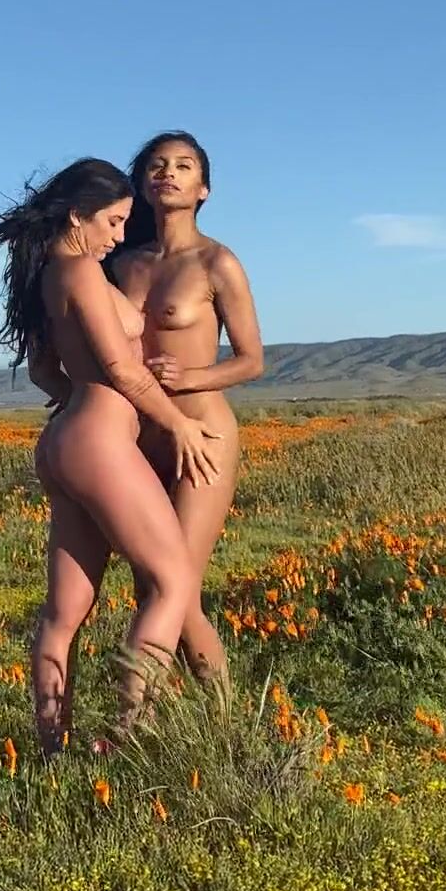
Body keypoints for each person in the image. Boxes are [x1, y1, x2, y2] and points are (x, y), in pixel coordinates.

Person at [0, 158, 223, 757]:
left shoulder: (46, 275)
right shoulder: (82, 270)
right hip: (99, 440)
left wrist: (78, 403)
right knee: (172, 582)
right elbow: (120, 370)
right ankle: (129, 738)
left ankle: (53, 752)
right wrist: (177, 424)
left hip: (64, 441)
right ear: (78, 216)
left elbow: (42, 369)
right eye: (112, 221)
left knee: (65, 612)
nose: (118, 235)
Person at [109, 131, 264, 686]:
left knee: (179, 588)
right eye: (156, 165)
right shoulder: (122, 264)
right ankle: (172, 715)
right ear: (141, 184)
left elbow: (251, 360)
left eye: (182, 166)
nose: (168, 173)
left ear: (204, 189)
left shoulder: (217, 262)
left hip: (201, 434)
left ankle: (213, 717)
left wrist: (192, 376)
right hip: (139, 436)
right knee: (150, 589)